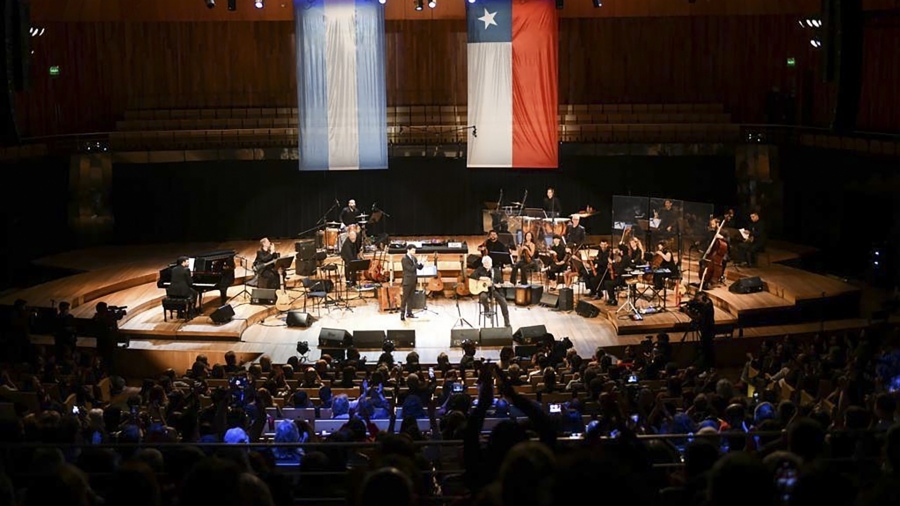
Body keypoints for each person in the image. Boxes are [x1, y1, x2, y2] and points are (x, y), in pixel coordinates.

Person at [469, 255, 510, 327]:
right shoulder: (480, 269)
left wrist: (497, 285)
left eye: (488, 263)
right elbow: (472, 276)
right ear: (483, 263)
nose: (487, 264)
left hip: (493, 290)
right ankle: (487, 310)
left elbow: (501, 281)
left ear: (491, 263)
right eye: (485, 263)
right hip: (483, 290)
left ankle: (507, 322)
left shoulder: (496, 271)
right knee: (483, 297)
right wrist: (481, 278)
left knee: (503, 302)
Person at [93, 302, 120, 375]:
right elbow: (116, 318)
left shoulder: (98, 316)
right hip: (108, 342)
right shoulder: (104, 317)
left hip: (103, 342)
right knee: (109, 360)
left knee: (105, 360)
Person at [399, 245, 423, 321]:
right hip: (407, 281)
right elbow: (411, 269)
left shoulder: (414, 258)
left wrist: (421, 263)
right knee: (405, 298)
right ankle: (402, 314)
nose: (414, 252)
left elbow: (419, 268)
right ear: (408, 250)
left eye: (414, 250)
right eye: (413, 250)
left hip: (413, 280)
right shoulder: (404, 259)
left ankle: (409, 313)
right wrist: (417, 263)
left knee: (411, 298)